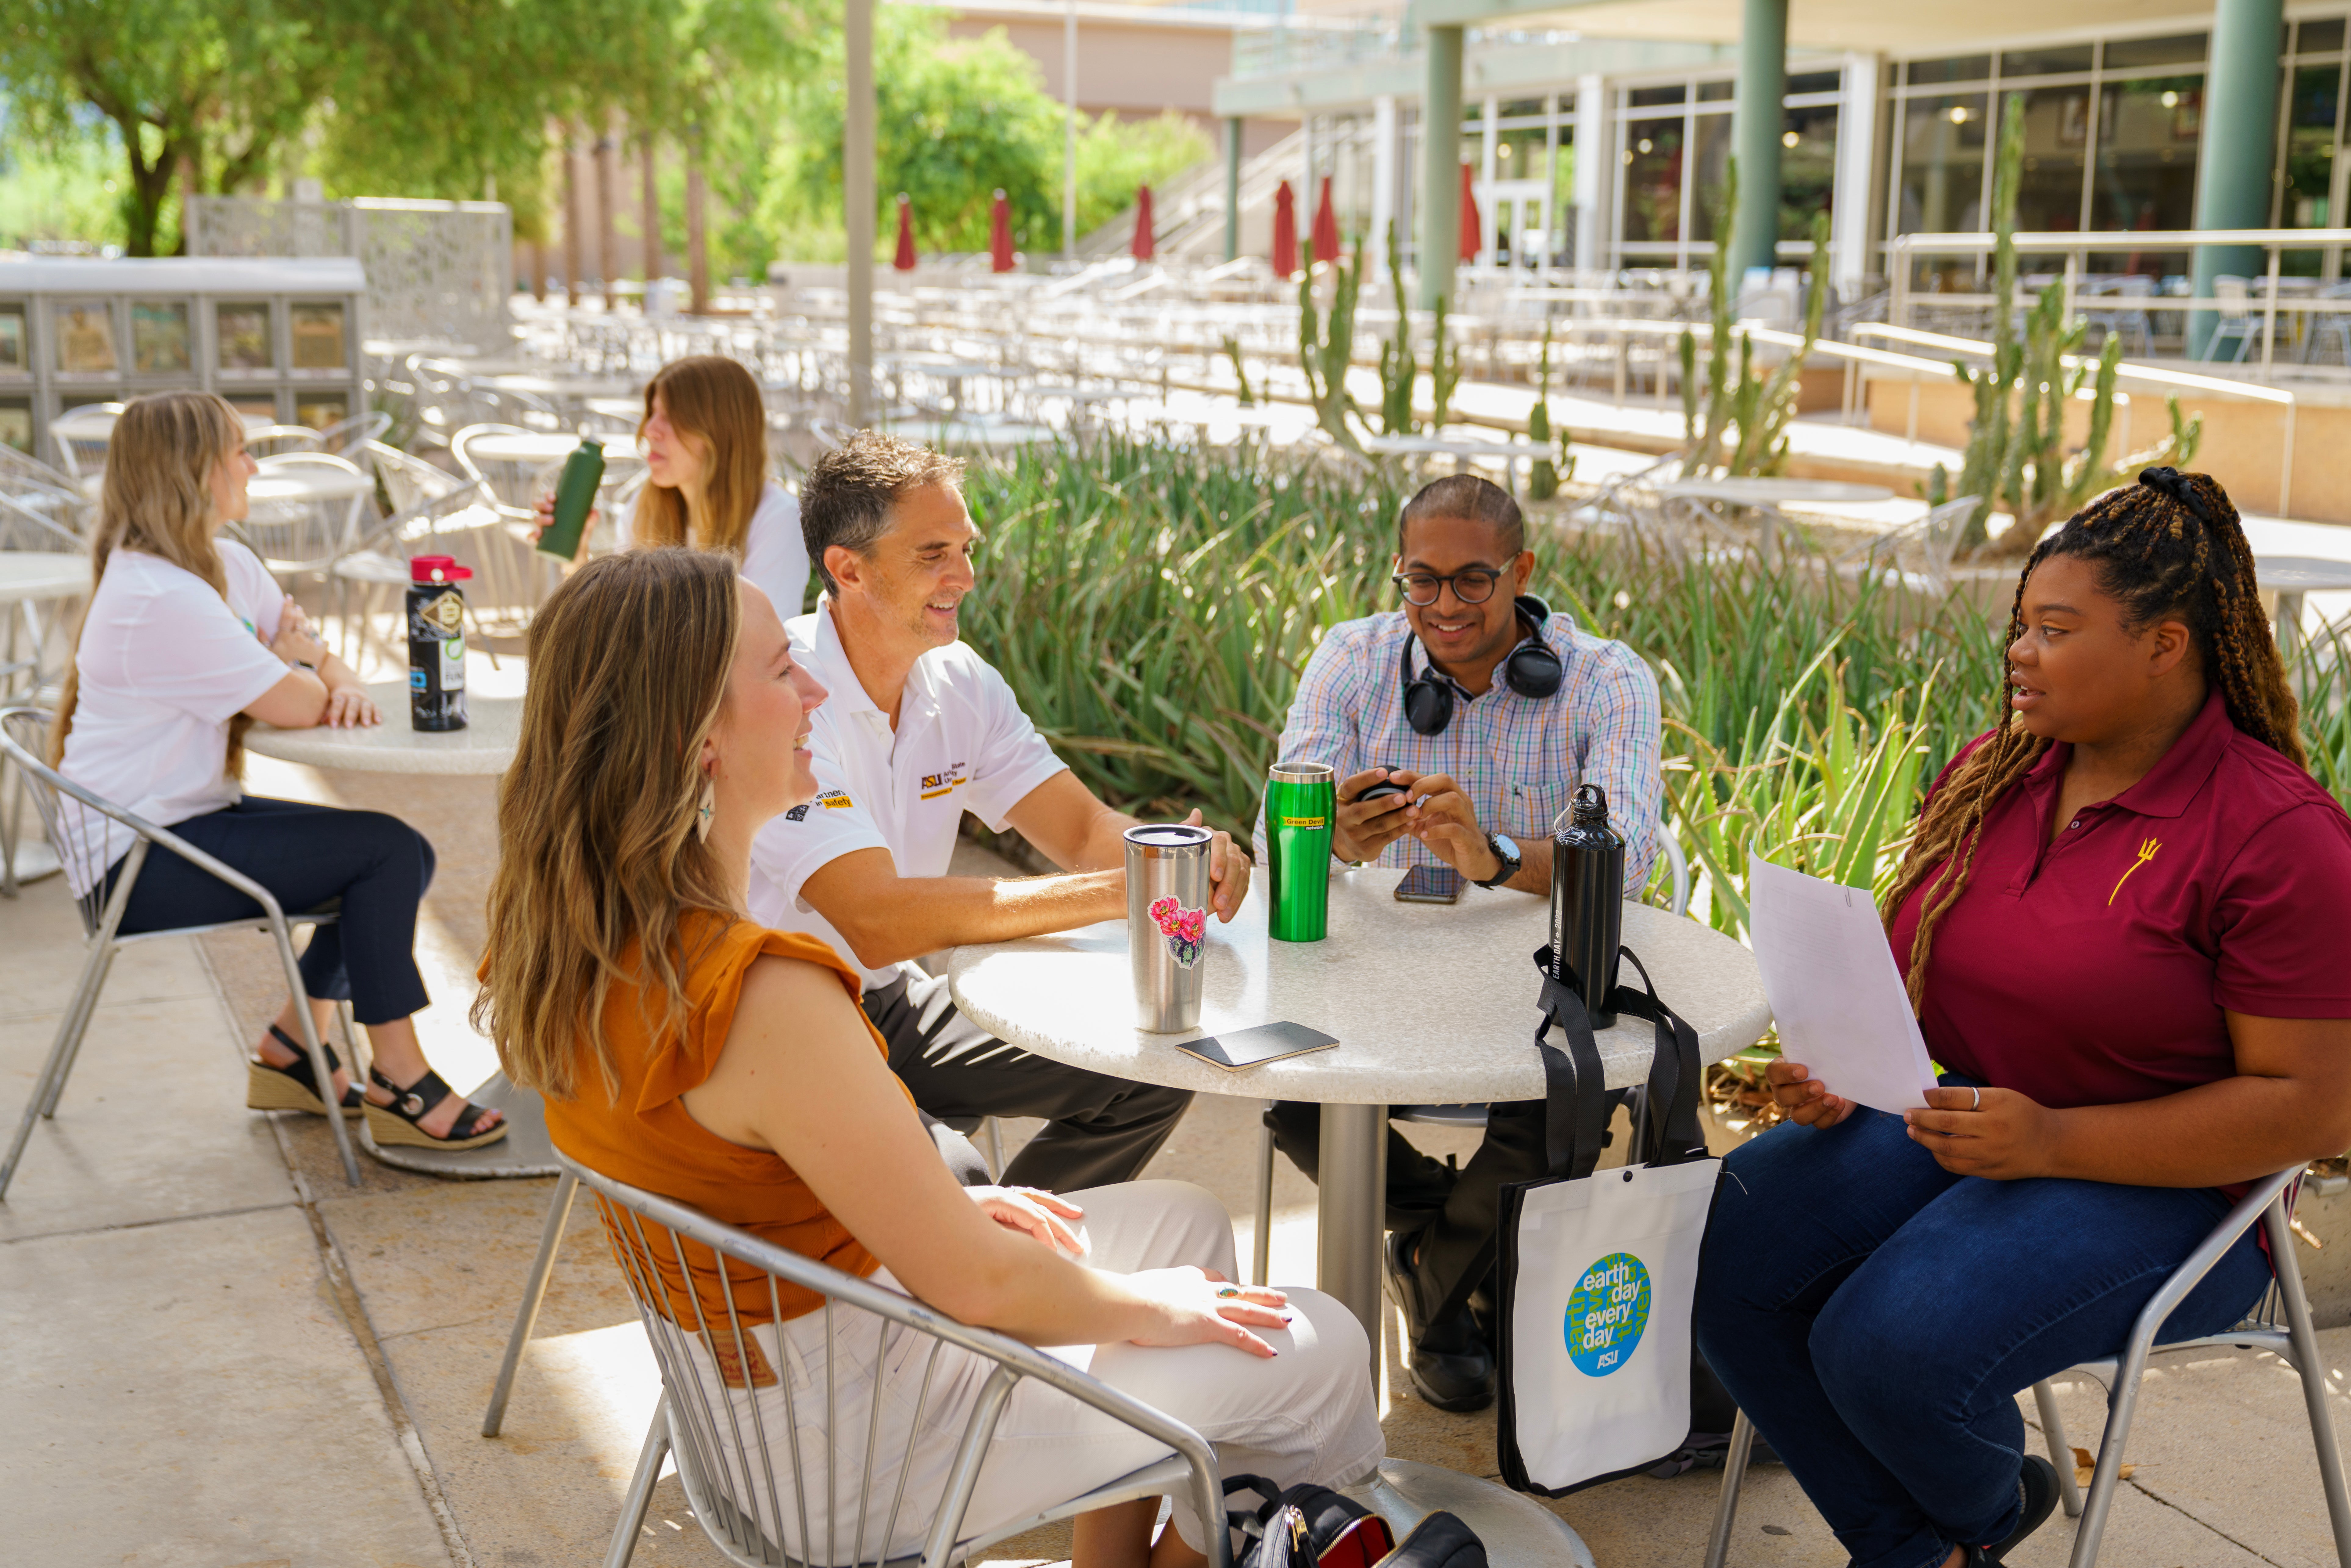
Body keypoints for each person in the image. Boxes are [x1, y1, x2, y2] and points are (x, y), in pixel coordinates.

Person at [475, 547, 1381, 1568]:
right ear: (699, 743)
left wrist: (937, 1213)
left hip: (771, 1400)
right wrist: (1157, 1310)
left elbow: (749, 1184)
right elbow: (982, 1291)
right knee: (1326, 1345)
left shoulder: (575, 944)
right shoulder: (764, 994)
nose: (814, 686)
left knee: (1188, 1219)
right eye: (781, 671)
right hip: (863, 1447)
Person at [1695, 469, 2351, 1568]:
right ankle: (1939, 1541)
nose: (2018, 652)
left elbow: (2310, 1111)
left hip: (2172, 1190)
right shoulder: (1993, 775)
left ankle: (1946, 1522)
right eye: (2019, 626)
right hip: (1972, 1124)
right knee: (1728, 1250)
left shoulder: (2274, 836)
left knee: (1884, 1344)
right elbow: (1915, 987)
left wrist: (2051, 1138)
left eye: (2054, 629)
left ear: (2164, 645)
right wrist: (1843, 1069)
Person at [1254, 472, 1663, 1412]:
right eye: (1420, 580)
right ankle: (1455, 1262)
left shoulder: (1607, 678)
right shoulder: (1353, 658)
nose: (1442, 606)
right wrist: (1326, 831)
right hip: (1382, 985)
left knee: (1562, 1115)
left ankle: (1426, 1280)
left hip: (1538, 986)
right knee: (1294, 1100)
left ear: (1521, 571)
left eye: (1472, 581)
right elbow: (1284, 805)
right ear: (1398, 573)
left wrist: (1494, 855)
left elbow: (1628, 856)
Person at [745, 431, 1248, 1192]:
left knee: (1152, 1067)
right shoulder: (786, 691)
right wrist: (1140, 887)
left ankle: (1017, 1272)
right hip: (781, 1026)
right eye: (932, 553)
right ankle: (984, 1264)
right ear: (847, 568)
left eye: (967, 548)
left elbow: (1081, 831)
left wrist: (1181, 849)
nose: (966, 576)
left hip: (887, 998)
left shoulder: (960, 680)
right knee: (962, 1179)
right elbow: (876, 916)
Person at [51, 391, 503, 1149]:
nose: (253, 465)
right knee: (385, 852)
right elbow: (297, 697)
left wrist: (334, 677)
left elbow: (321, 666)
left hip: (181, 818)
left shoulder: (218, 563)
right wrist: (298, 664)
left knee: (403, 853)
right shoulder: (160, 597)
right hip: (133, 860)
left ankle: (293, 1049)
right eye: (239, 452)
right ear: (194, 473)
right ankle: (398, 1075)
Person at [533, 353, 810, 613]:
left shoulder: (777, 518)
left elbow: (759, 650)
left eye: (672, 417)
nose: (649, 430)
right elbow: (617, 619)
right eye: (652, 414)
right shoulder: (645, 507)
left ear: (719, 432)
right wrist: (578, 559)